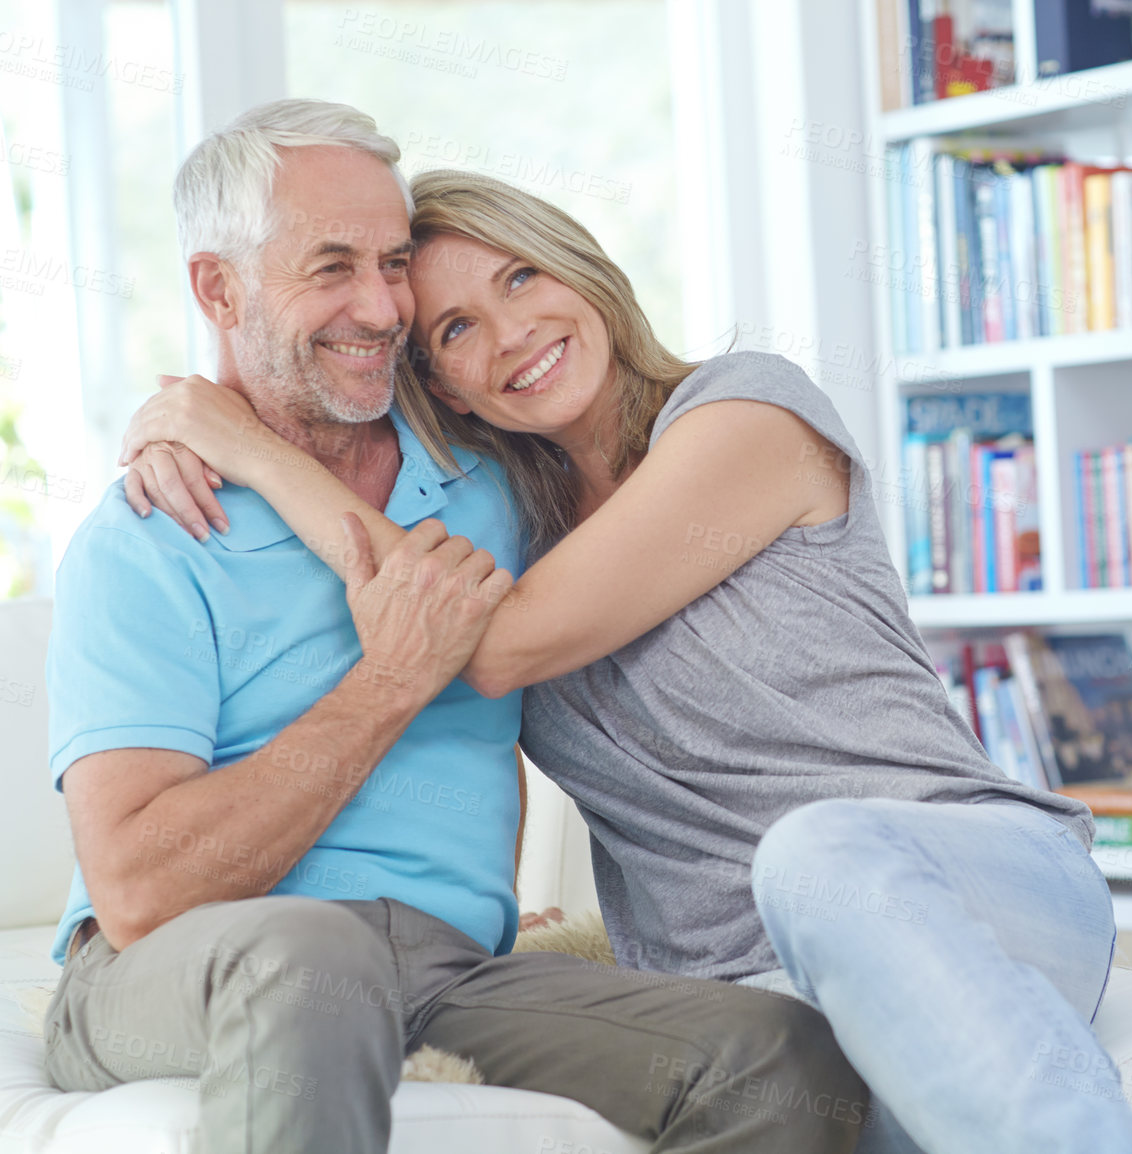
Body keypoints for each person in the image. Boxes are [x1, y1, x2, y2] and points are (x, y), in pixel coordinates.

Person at [122, 143, 1132, 1154]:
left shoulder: (747, 409)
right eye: (456, 329)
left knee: (819, 851)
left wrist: (238, 442)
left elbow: (488, 650)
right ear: (449, 391)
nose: (514, 330)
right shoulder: (510, 539)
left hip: (967, 883)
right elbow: (479, 720)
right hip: (749, 983)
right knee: (780, 1076)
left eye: (522, 274)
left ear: (580, 269)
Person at [44, 98, 868, 1154]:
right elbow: (137, 892)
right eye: (332, 265)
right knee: (313, 956)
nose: (382, 305)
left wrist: (487, 897)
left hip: (442, 969)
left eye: (394, 265)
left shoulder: (490, 489)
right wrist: (386, 681)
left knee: (776, 1056)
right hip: (179, 968)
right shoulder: (154, 536)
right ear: (218, 286)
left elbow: (522, 698)